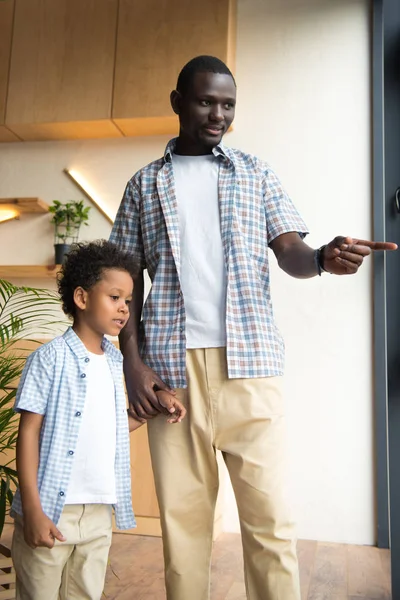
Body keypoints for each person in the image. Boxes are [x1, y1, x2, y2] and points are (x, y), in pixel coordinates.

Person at [110, 56, 397, 600]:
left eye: (228, 105)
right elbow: (125, 285)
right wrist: (133, 360)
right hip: (172, 375)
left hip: (251, 366)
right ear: (177, 102)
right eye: (204, 101)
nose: (218, 115)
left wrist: (321, 259)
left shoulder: (256, 173)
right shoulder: (143, 186)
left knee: (270, 523)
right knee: (184, 528)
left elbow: (289, 250)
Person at [10, 240, 186, 600]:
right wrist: (32, 508)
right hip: (51, 508)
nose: (124, 309)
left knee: (85, 594)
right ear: (81, 298)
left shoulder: (114, 362)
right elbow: (27, 434)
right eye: (115, 297)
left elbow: (113, 426)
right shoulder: (48, 360)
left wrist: (161, 402)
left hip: (99, 511)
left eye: (128, 301)